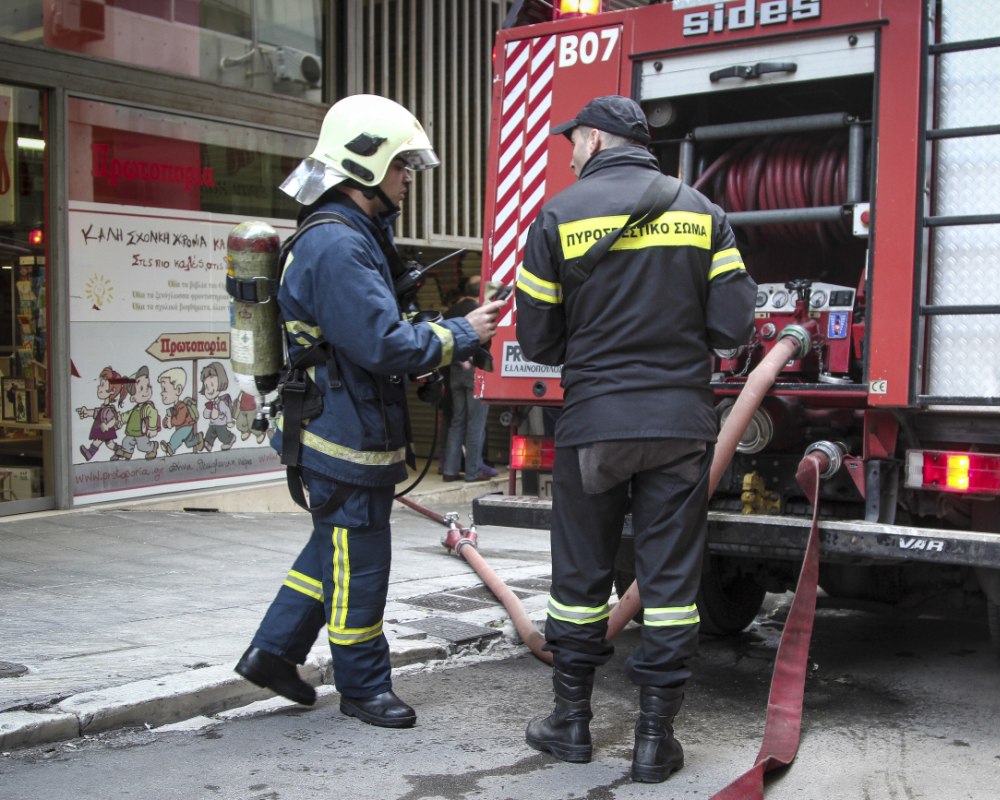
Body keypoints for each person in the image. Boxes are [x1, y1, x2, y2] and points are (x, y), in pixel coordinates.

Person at [234, 94, 503, 729]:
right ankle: (363, 687)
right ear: (366, 165)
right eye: (402, 166)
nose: (408, 178)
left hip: (341, 424)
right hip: (342, 435)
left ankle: (272, 654)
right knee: (362, 562)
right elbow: (382, 346)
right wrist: (462, 333)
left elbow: (381, 332)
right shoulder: (337, 246)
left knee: (332, 548)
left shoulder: (352, 236)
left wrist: (442, 331)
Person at [515, 95, 755, 782]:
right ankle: (654, 741)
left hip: (595, 426)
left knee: (581, 581)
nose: (568, 154)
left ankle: (571, 725)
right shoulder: (702, 213)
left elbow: (536, 337)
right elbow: (734, 328)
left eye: (572, 142)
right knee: (672, 585)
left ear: (594, 139)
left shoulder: (558, 214)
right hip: (680, 428)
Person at [440, 274, 498, 482]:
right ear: (481, 292)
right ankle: (473, 472)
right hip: (476, 372)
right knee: (476, 422)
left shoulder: (451, 311)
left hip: (454, 371)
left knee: (457, 421)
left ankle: (450, 470)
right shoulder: (478, 312)